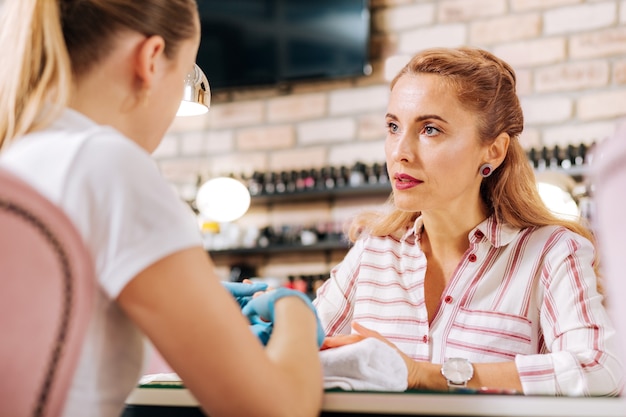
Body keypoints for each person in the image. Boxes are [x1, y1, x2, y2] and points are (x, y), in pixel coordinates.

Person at [0, 1, 323, 417]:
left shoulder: (19, 157)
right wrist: (294, 308)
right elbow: (276, 410)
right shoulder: (108, 164)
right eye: (187, 71)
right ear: (150, 60)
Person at [313, 47, 623, 396]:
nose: (400, 151)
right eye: (393, 126)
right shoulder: (373, 253)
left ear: (493, 150)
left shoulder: (550, 253)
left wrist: (429, 374)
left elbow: (601, 368)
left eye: (430, 129)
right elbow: (302, 352)